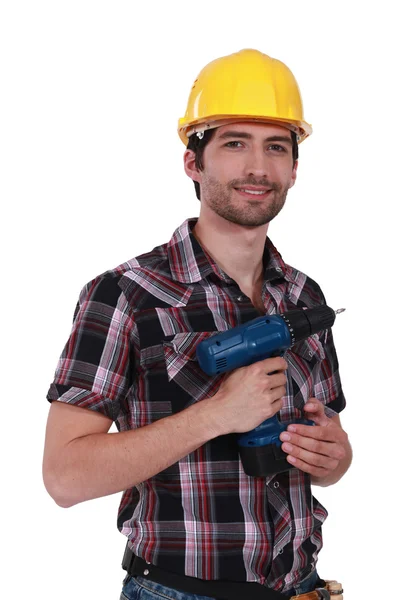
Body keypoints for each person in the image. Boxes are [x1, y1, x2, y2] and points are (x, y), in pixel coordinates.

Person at [43, 49, 351, 599]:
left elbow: (325, 449)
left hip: (303, 587)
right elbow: (64, 477)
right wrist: (214, 415)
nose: (258, 168)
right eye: (235, 143)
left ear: (294, 169)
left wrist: (334, 457)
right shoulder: (124, 295)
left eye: (276, 147)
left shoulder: (304, 296)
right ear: (194, 162)